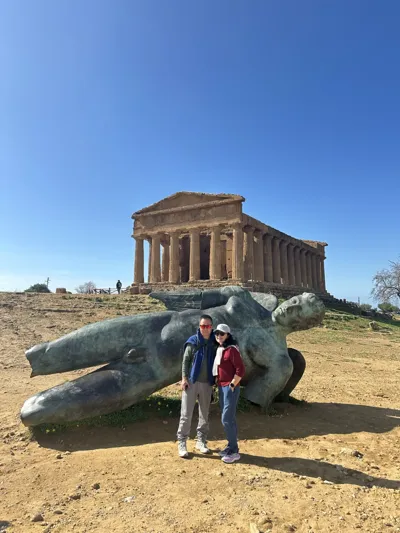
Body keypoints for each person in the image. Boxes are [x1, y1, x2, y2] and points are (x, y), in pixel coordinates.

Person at [176, 314, 217, 458]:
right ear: (199, 327)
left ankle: (201, 441)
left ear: (211, 327)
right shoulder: (192, 342)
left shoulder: (215, 342)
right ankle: (182, 442)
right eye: (202, 326)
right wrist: (184, 378)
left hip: (207, 383)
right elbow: (185, 361)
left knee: (204, 414)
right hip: (191, 382)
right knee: (186, 414)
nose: (205, 328)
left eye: (208, 326)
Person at [213, 323, 245, 464]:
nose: (219, 336)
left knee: (226, 419)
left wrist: (233, 384)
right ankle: (231, 446)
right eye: (217, 333)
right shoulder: (221, 349)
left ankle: (234, 451)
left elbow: (240, 369)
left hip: (230, 387)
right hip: (222, 386)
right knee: (229, 418)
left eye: (222, 334)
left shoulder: (231, 350)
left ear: (228, 335)